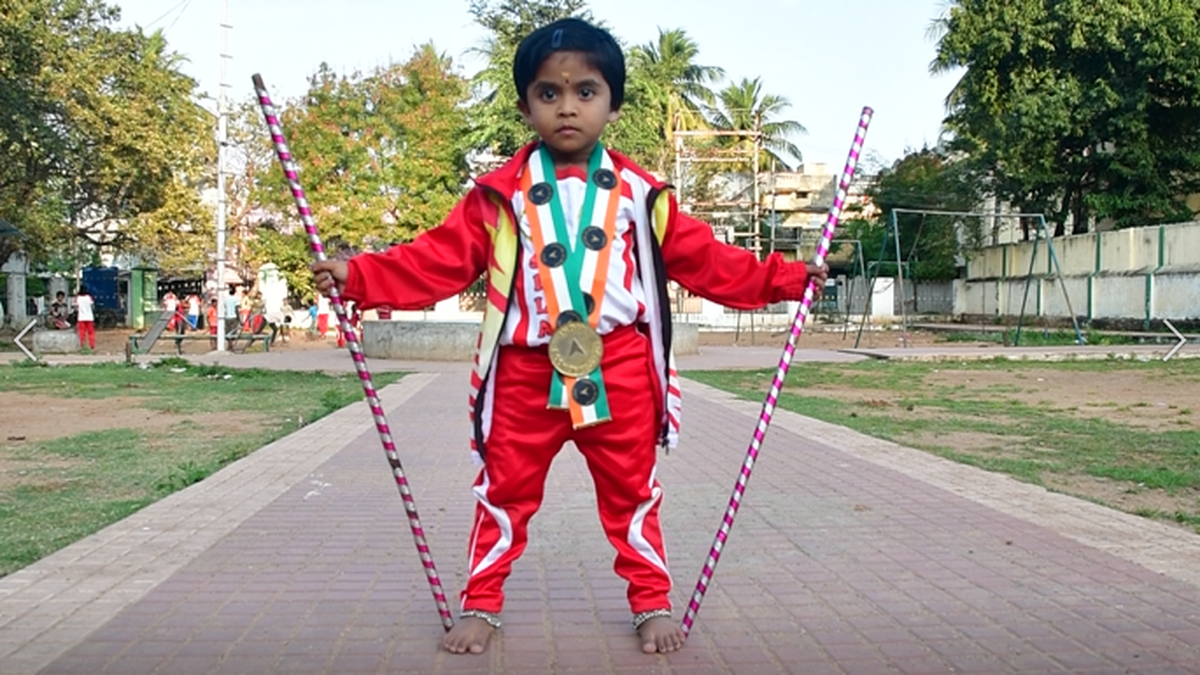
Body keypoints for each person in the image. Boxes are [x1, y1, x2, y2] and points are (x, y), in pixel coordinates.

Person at [312, 17, 827, 657]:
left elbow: (708, 260)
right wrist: (359, 274)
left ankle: (650, 601)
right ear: (526, 105)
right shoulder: (498, 195)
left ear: (613, 102)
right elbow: (439, 258)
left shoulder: (644, 195)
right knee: (502, 491)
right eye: (549, 94)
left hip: (623, 370)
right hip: (526, 374)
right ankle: (482, 601)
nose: (567, 107)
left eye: (586, 91)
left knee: (633, 494)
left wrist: (785, 278)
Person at [75, 285, 96, 351]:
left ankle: (82, 346)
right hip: (89, 317)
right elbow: (92, 306)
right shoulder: (89, 297)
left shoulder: (77, 298)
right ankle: (92, 345)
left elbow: (76, 308)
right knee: (91, 333)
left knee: (82, 332)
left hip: (81, 318)